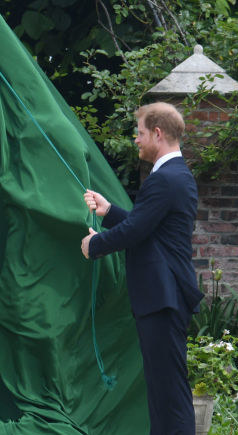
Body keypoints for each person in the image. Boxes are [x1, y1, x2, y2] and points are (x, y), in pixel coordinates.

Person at [80, 102, 203, 435]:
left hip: (163, 298)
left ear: (158, 134)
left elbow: (136, 232)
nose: (136, 140)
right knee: (163, 394)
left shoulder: (164, 179)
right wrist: (110, 211)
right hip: (165, 297)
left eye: (140, 133)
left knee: (169, 396)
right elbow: (148, 229)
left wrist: (95, 246)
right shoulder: (175, 176)